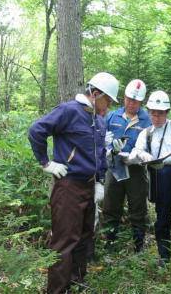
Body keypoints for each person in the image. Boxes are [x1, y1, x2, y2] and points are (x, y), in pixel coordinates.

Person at [28, 72, 119, 294]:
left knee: (85, 237)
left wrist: (98, 181)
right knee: (64, 241)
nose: (108, 105)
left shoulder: (98, 120)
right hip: (68, 186)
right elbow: (36, 130)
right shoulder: (69, 110)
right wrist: (46, 163)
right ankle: (57, 290)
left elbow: (100, 153)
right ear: (95, 94)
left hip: (88, 186)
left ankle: (77, 282)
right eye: (107, 100)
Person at [130, 90, 171, 266]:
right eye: (153, 113)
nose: (156, 117)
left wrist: (162, 160)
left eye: (160, 113)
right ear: (149, 111)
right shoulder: (146, 133)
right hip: (159, 175)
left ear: (167, 112)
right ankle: (164, 256)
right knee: (162, 215)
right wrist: (145, 157)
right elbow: (137, 150)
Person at [102, 79, 151, 252]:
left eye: (136, 101)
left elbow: (151, 146)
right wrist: (108, 149)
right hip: (113, 168)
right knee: (110, 205)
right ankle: (110, 242)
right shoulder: (112, 116)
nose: (131, 103)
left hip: (136, 170)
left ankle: (138, 245)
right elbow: (102, 138)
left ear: (141, 102)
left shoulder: (147, 120)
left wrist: (140, 156)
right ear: (124, 98)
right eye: (129, 99)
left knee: (138, 207)